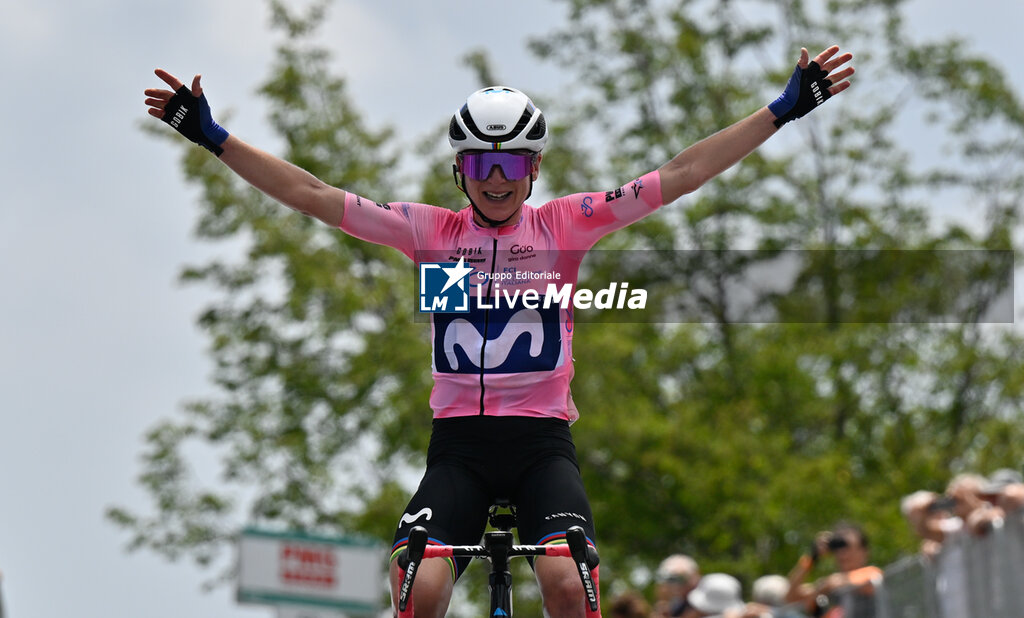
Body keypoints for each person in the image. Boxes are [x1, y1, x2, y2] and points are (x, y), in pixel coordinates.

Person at [145, 46, 853, 618]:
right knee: (422, 585)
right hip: (458, 451)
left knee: (566, 585)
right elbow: (312, 195)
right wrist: (213, 137)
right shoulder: (426, 233)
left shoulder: (567, 225)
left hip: (542, 444)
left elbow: (683, 172)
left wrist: (783, 110)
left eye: (510, 164)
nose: (495, 180)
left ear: (534, 168)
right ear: (460, 169)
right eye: (481, 164)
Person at [785, 522, 881, 617]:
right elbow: (790, 596)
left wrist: (828, 585)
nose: (842, 552)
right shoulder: (826, 585)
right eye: (838, 546)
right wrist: (813, 557)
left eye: (847, 545)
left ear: (864, 551)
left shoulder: (872, 574)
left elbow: (871, 581)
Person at [652, 554, 701, 618]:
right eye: (671, 580)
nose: (675, 585)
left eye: (679, 579)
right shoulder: (677, 604)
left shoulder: (704, 601)